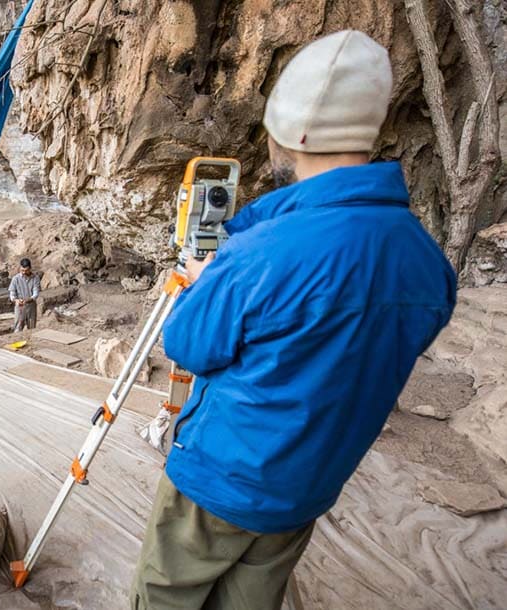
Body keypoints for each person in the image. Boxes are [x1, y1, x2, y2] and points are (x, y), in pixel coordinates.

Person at [131, 31, 457, 610]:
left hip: (222, 479)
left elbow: (187, 344)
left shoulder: (260, 254)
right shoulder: (426, 260)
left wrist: (208, 285)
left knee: (166, 595)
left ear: (291, 132)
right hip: (309, 486)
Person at [9, 257, 40, 332]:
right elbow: (12, 293)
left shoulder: (35, 278)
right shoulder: (15, 279)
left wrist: (28, 299)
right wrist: (15, 300)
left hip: (31, 305)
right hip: (19, 306)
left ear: (30, 269)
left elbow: (36, 293)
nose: (24, 272)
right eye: (22, 270)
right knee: (18, 327)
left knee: (32, 327)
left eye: (26, 271)